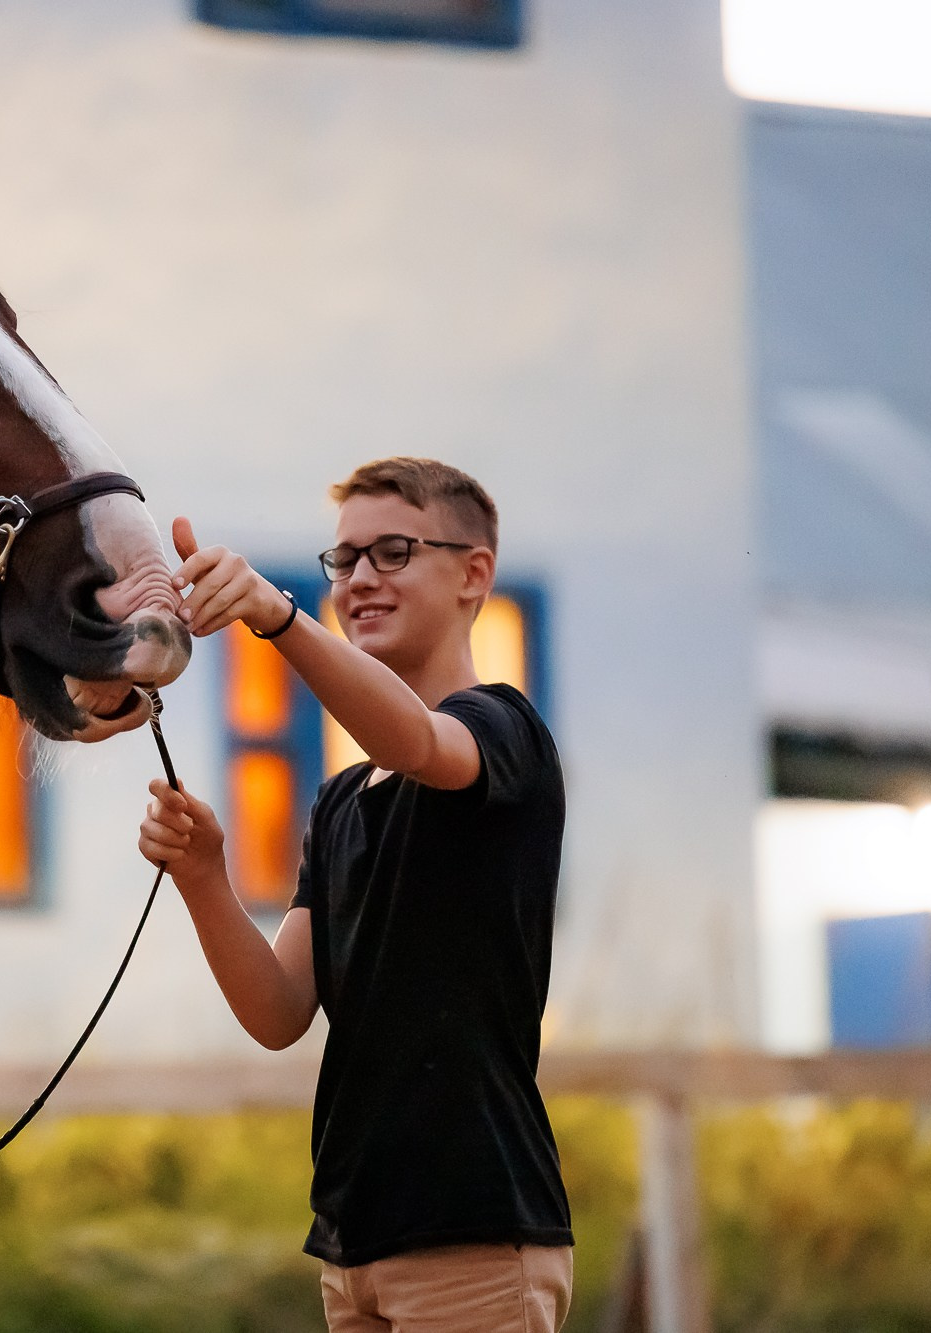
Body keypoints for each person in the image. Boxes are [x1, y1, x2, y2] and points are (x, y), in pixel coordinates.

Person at [139, 457, 572, 1332]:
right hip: (355, 1240)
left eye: (394, 551)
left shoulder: (503, 729)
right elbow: (278, 1010)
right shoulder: (340, 803)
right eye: (344, 561)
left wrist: (276, 617)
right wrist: (204, 879)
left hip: (474, 1232)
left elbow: (417, 737)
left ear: (474, 575)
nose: (361, 579)